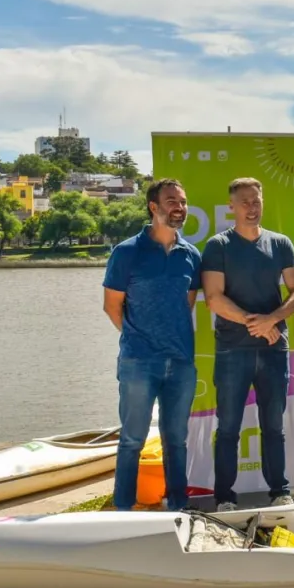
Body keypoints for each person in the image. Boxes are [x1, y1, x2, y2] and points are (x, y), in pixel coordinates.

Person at [202, 177, 294, 511]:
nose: (251, 207)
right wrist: (259, 324)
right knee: (228, 428)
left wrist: (271, 320)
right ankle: (224, 497)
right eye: (244, 202)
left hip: (274, 351)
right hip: (232, 351)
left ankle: (280, 492)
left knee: (273, 426)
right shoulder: (218, 246)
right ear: (231, 206)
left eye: (256, 201)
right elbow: (214, 299)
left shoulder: (280, 243)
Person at [102, 178, 202, 511]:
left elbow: (186, 303)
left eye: (183, 202)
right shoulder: (126, 252)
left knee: (177, 440)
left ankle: (177, 507)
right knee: (132, 439)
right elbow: (112, 306)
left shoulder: (191, 256)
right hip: (138, 363)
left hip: (181, 363)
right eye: (172, 201)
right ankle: (123, 510)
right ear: (153, 206)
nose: (180, 207)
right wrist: (139, 337)